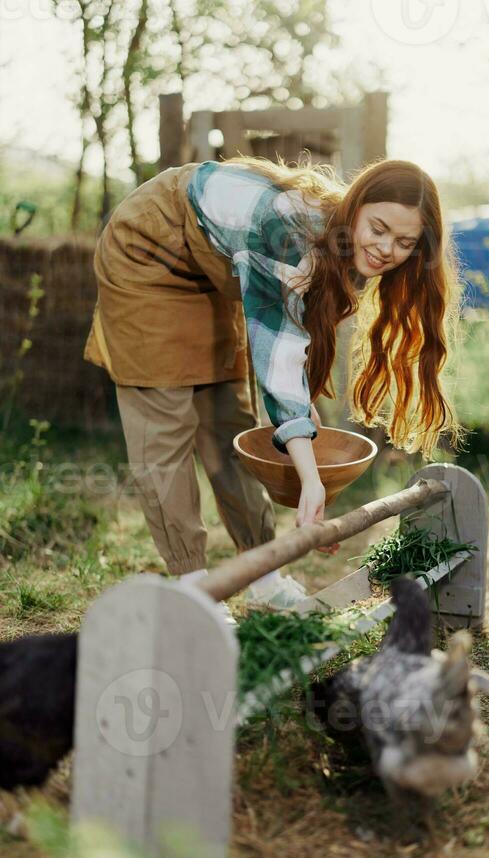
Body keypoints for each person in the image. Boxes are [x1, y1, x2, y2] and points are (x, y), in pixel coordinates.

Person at [83, 154, 462, 607]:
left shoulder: (340, 248)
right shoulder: (287, 235)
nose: (385, 249)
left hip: (210, 266)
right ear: (356, 205)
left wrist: (311, 480)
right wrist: (311, 480)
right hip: (148, 247)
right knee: (165, 422)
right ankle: (195, 591)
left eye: (404, 242)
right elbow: (280, 363)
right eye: (377, 228)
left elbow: (291, 355)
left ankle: (262, 575)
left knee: (228, 419)